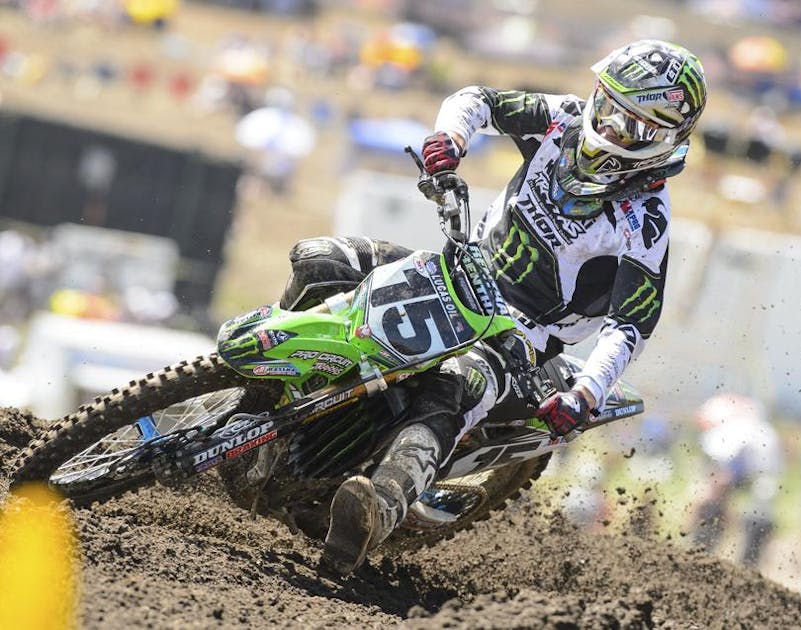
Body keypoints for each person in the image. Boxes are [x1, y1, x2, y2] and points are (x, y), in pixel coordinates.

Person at [285, 40, 708, 575]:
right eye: (608, 107)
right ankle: (262, 381)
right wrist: (450, 140)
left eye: (631, 126)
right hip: (457, 272)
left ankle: (378, 508)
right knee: (324, 260)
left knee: (454, 387)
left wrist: (586, 392)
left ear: (664, 138)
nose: (609, 128)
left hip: (519, 338)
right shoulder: (562, 120)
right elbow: (477, 99)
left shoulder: (645, 219)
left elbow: (631, 323)